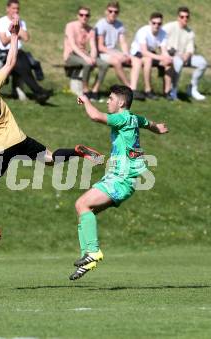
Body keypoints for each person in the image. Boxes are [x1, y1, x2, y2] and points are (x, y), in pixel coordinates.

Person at [0, 15, 103, 254]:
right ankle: (77, 152)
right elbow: (11, 62)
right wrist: (13, 35)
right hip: (20, 140)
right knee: (51, 158)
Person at [70, 85, 168, 280]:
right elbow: (147, 123)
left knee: (82, 204)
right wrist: (158, 129)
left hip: (120, 178)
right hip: (122, 178)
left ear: (121, 102)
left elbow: (96, 116)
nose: (107, 101)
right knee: (85, 211)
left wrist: (86, 100)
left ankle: (92, 253)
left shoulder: (122, 117)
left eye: (110, 98)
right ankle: (87, 257)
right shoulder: (134, 118)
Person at [0, 0, 52, 104]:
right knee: (22, 66)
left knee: (26, 65)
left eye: (17, 9)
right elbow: (3, 42)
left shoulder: (21, 22)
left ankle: (38, 92)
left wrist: (17, 26)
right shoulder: (0, 22)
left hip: (18, 51)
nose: (16, 11)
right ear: (7, 9)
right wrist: (15, 33)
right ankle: (38, 92)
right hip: (5, 53)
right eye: (13, 8)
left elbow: (26, 38)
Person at [63, 6, 109, 101]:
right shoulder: (70, 26)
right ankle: (85, 90)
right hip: (70, 55)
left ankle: (95, 90)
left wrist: (92, 57)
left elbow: (93, 46)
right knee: (87, 63)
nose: (84, 17)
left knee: (104, 65)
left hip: (84, 55)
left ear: (89, 17)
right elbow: (73, 45)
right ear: (78, 16)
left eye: (86, 15)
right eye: (81, 15)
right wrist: (86, 58)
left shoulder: (91, 30)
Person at [163, 7, 207, 101]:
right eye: (182, 16)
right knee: (178, 63)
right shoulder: (169, 26)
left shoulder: (190, 32)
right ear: (178, 17)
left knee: (202, 62)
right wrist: (167, 51)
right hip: (171, 56)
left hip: (184, 56)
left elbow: (190, 49)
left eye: (187, 17)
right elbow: (161, 40)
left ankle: (192, 87)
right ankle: (173, 90)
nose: (184, 19)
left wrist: (187, 55)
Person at [129, 12, 173, 100]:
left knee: (168, 63)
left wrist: (168, 57)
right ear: (150, 22)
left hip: (150, 53)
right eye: (154, 23)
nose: (156, 25)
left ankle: (167, 92)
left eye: (159, 23)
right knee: (148, 60)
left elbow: (163, 50)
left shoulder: (163, 33)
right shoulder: (143, 31)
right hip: (137, 52)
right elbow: (144, 51)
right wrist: (161, 57)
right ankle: (148, 90)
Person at [95, 1, 131, 88]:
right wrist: (117, 54)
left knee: (134, 60)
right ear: (106, 11)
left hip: (113, 51)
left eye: (116, 12)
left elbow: (123, 42)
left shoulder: (119, 25)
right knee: (116, 61)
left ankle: (139, 87)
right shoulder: (101, 24)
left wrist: (126, 54)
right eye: (110, 11)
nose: (113, 14)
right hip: (101, 53)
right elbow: (100, 47)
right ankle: (129, 87)